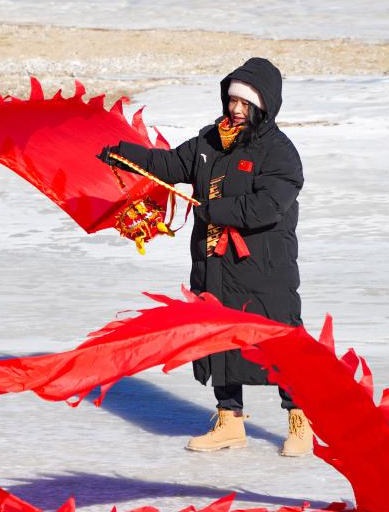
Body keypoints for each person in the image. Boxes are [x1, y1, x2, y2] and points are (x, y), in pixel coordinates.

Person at [99, 57, 311, 456]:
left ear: (264, 106)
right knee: (219, 337)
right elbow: (170, 164)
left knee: (280, 341)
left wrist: (215, 210)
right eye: (233, 100)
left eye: (245, 103)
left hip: (264, 267)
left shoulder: (280, 153)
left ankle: (300, 418)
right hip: (214, 263)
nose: (236, 109)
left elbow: (269, 206)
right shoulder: (210, 141)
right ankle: (229, 421)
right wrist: (124, 154)